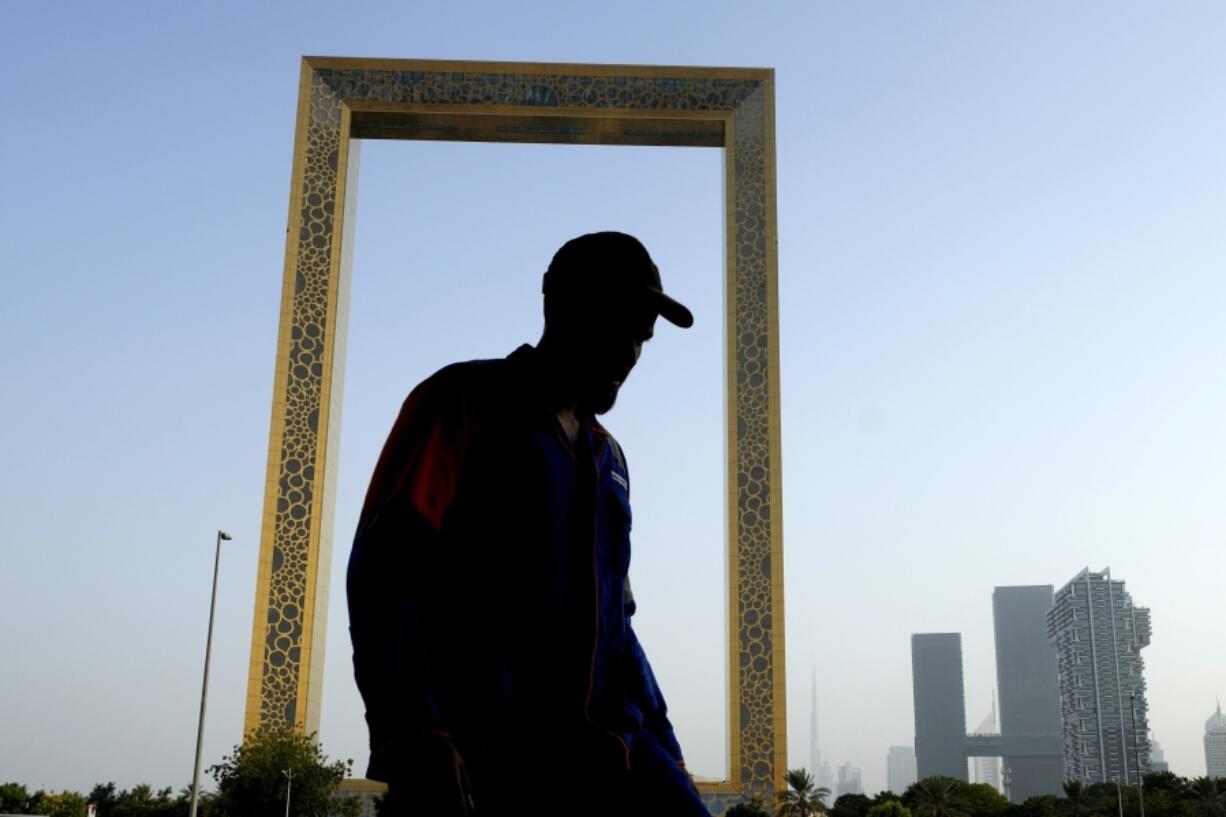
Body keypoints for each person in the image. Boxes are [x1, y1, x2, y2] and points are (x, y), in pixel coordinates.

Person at [346, 232, 709, 816]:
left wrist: (667, 754)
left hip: (611, 750)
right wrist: (414, 732)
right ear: (562, 304)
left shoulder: (608, 458)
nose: (631, 352)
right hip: (491, 752)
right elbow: (388, 568)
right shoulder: (462, 402)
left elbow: (618, 627)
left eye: (643, 336)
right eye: (620, 323)